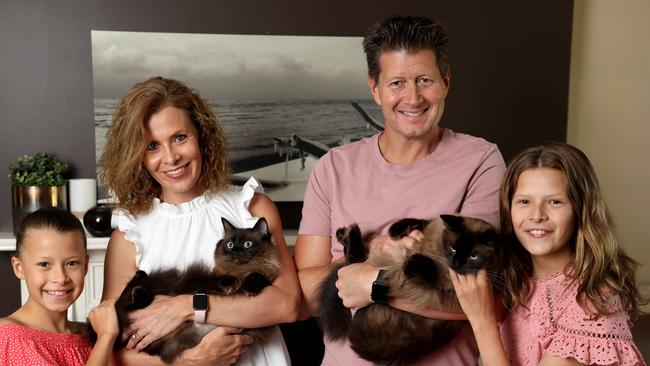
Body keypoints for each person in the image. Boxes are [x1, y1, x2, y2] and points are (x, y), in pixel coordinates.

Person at [294, 15, 506, 365]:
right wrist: (375, 253)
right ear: (374, 89)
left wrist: (377, 285)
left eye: (425, 80)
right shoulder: (333, 167)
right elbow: (304, 291)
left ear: (446, 82)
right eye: (397, 83)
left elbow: (488, 298)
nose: (413, 97)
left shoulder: (480, 161)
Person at [100, 76, 301, 365]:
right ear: (137, 155)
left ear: (201, 135)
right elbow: (112, 353)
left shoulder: (250, 207)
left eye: (179, 137)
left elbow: (288, 304)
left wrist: (185, 307)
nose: (170, 157)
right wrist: (190, 361)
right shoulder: (130, 235)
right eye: (152, 146)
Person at [451, 142, 646, 365]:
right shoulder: (517, 282)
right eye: (524, 201)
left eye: (554, 202)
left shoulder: (593, 300)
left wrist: (482, 320)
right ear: (509, 209)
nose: (537, 215)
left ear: (580, 210)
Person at [0, 207, 118, 366]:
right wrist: (106, 337)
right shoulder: (10, 337)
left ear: (85, 265)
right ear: (19, 267)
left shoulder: (88, 335)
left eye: (72, 263)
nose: (61, 278)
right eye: (44, 264)